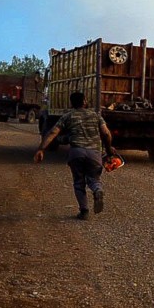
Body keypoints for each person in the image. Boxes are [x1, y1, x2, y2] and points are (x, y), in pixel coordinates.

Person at [34, 91, 113, 220]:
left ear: (72, 103)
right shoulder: (96, 115)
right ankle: (97, 190)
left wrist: (41, 149)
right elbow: (106, 133)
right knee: (94, 179)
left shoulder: (68, 116)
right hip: (94, 153)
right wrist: (109, 150)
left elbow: (53, 132)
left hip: (76, 153)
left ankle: (84, 211)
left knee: (79, 182)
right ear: (85, 101)